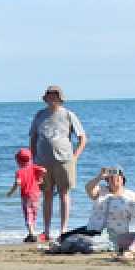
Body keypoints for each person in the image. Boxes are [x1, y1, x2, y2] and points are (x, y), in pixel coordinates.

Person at [28, 85, 88, 240]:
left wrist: (75, 157)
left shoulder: (68, 115)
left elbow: (82, 138)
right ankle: (46, 231)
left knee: (64, 194)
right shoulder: (39, 115)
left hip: (64, 161)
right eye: (49, 96)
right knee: (46, 195)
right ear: (45, 98)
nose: (51, 98)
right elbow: (33, 138)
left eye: (54, 96)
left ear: (60, 98)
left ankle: (63, 230)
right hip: (42, 162)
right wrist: (33, 159)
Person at [7, 147, 47, 243]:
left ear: (18, 161)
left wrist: (11, 192)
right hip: (36, 194)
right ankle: (32, 232)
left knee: (28, 213)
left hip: (26, 195)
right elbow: (44, 170)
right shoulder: (33, 167)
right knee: (34, 213)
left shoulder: (19, 172)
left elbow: (18, 182)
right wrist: (40, 178)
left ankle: (32, 233)